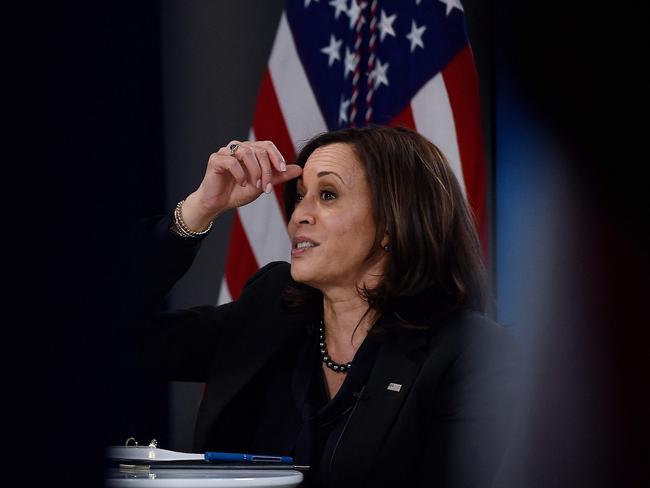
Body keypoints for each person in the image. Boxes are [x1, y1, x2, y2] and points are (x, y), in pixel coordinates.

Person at [130, 125, 521, 488]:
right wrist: (198, 210)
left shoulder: (471, 353)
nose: (298, 215)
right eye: (299, 197)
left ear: (391, 226)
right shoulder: (270, 307)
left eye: (328, 195)